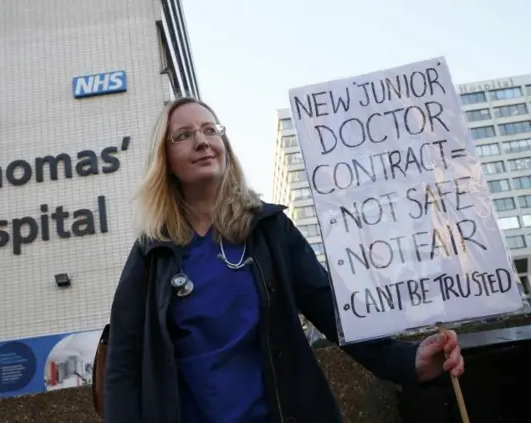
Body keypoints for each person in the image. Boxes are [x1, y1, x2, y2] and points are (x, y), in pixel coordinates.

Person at [103, 97, 465, 423]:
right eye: (183, 135)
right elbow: (123, 363)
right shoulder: (151, 253)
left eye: (210, 129)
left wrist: (406, 361)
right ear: (164, 160)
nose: (201, 140)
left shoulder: (269, 229)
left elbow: (331, 309)